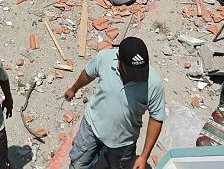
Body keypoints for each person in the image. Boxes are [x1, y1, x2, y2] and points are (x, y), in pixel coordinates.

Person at [64, 37, 165, 169]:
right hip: (92, 127)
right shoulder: (104, 59)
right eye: (132, 72)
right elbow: (88, 74)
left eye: (141, 71)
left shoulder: (154, 83)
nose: (138, 77)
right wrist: (73, 89)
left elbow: (156, 118)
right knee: (79, 164)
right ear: (118, 58)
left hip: (123, 141)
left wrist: (144, 156)